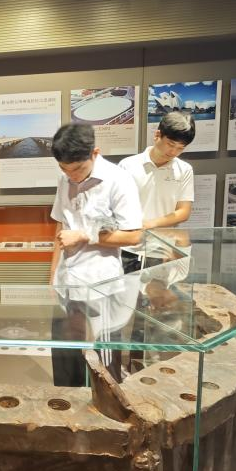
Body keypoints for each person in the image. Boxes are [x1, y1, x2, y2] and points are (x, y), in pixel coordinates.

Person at [48, 123, 143, 387]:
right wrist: (52, 276)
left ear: (95, 153)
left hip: (101, 285)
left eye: (78, 169)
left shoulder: (118, 180)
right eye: (64, 169)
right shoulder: (65, 178)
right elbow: (61, 227)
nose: (72, 176)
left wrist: (84, 235)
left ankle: (107, 408)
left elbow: (133, 235)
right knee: (66, 357)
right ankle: (66, 406)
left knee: (103, 363)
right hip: (68, 282)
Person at [118, 112, 196, 273]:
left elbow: (183, 211)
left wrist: (150, 224)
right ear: (157, 135)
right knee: (125, 288)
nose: (173, 152)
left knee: (161, 288)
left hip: (163, 249)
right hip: (128, 248)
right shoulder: (127, 166)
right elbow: (116, 207)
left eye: (180, 148)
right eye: (170, 144)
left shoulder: (184, 170)